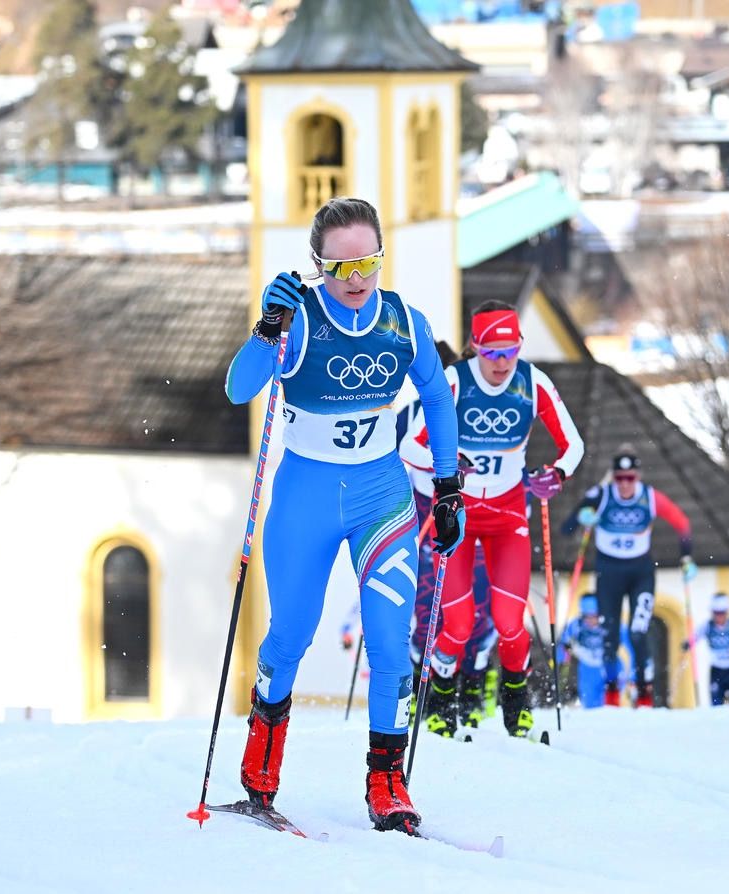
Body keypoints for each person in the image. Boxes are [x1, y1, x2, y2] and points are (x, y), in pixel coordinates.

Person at [223, 197, 463, 834]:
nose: (355, 278)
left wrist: (446, 488)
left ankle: (388, 787)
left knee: (390, 643)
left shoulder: (404, 322)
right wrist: (266, 330)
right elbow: (239, 389)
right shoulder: (298, 318)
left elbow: (438, 399)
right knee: (291, 635)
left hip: (381, 497)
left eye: (369, 261)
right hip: (305, 497)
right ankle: (260, 776)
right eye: (340, 267)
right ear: (317, 267)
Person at [402, 301, 584, 738]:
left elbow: (573, 446)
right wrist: (446, 465)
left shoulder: (532, 383)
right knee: (459, 625)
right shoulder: (453, 381)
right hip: (460, 517)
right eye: (491, 352)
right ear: (475, 348)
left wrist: (555, 476)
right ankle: (442, 699)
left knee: (508, 621)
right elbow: (409, 447)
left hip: (507, 517)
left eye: (510, 351)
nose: (502, 363)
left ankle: (516, 702)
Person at [397, 341, 497, 732]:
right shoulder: (408, 415)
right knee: (428, 607)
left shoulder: (469, 409)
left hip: (472, 512)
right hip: (425, 512)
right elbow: (393, 457)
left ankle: (470, 690)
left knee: (476, 603)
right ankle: (425, 696)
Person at [562, 447, 695, 708]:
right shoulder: (601, 494)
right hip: (609, 573)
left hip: (640, 573)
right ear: (613, 477)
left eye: (630, 478)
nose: (625, 484)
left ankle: (644, 692)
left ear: (638, 477)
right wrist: (583, 516)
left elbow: (682, 523)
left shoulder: (649, 497)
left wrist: (687, 557)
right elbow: (566, 528)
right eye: (620, 478)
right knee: (609, 637)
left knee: (637, 632)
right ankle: (612, 692)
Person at [691, 593, 729, 706]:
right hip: (717, 670)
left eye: (722, 613)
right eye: (716, 613)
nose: (719, 616)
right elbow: (695, 637)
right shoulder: (707, 626)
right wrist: (688, 644)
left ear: (727, 612)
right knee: (716, 704)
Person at [559, 594, 609, 708]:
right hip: (586, 666)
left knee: (606, 701)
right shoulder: (576, 625)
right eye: (587, 617)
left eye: (594, 616)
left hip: (604, 666)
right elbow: (564, 642)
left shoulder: (607, 625)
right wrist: (562, 657)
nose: (591, 620)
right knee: (588, 699)